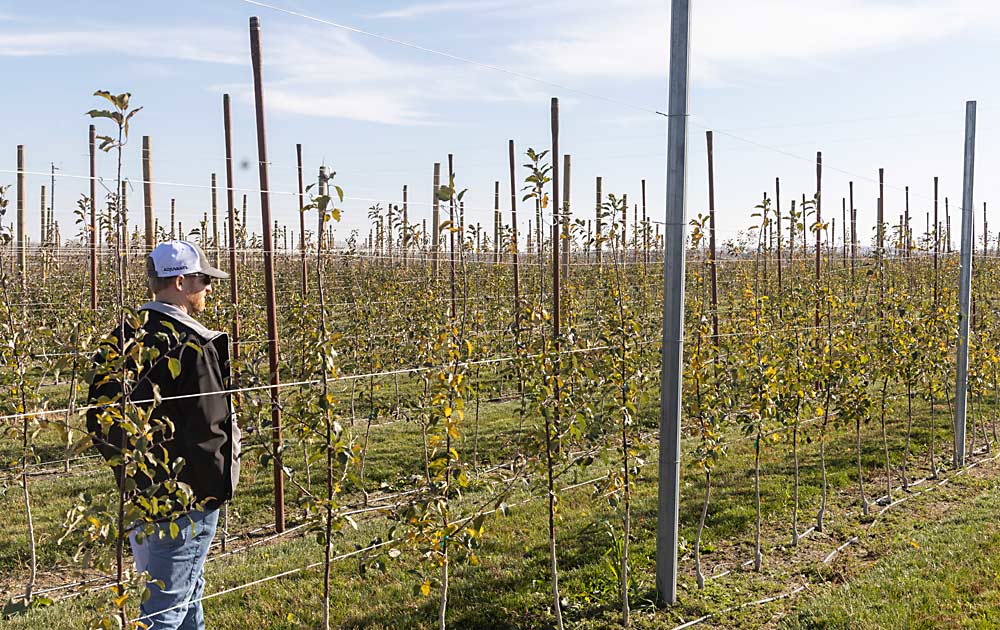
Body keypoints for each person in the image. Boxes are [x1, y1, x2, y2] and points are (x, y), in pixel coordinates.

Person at [86, 240, 239, 630]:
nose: (209, 289)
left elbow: (100, 420)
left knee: (188, 588)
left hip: (143, 492)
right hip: (187, 498)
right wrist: (212, 490)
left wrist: (135, 476)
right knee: (165, 607)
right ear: (182, 282)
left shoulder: (120, 339)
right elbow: (210, 427)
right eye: (204, 280)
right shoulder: (191, 343)